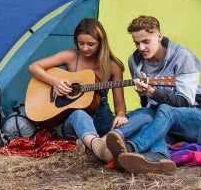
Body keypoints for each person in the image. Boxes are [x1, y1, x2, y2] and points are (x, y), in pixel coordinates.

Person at [102, 15, 201, 174]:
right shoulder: (135, 61)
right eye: (136, 43)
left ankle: (131, 147)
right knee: (147, 116)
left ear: (159, 36)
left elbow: (185, 103)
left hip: (198, 121)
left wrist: (152, 92)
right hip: (167, 125)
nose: (141, 48)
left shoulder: (183, 56)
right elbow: (147, 104)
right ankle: (159, 157)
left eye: (146, 41)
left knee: (165, 109)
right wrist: (144, 94)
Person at [27, 17, 127, 162]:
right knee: (79, 114)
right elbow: (34, 67)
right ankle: (96, 145)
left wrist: (121, 114)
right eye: (81, 43)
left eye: (91, 44)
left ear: (101, 43)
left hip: (102, 119)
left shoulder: (113, 65)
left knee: (139, 118)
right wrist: (55, 82)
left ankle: (93, 144)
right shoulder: (71, 56)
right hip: (74, 123)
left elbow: (119, 101)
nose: (85, 48)